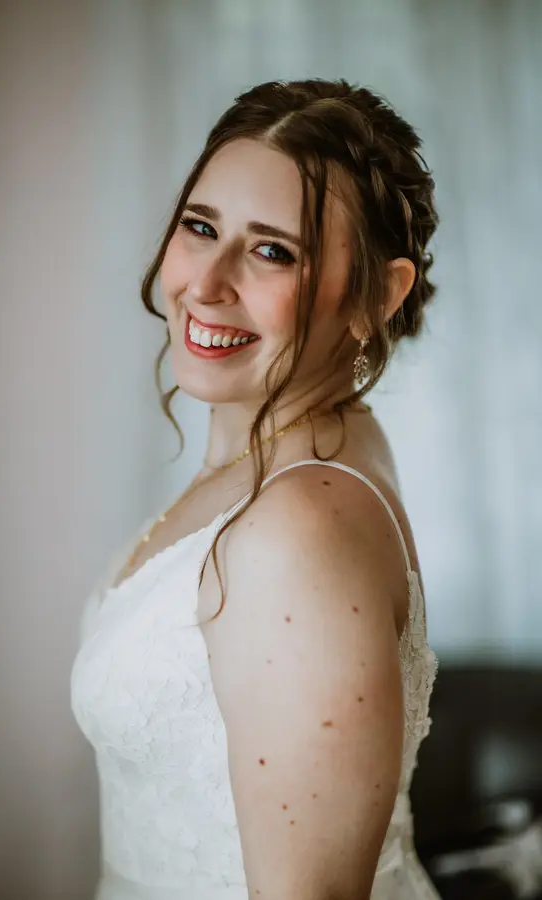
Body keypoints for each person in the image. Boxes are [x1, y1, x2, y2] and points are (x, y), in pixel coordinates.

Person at [71, 78, 441, 900]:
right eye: (200, 227)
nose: (206, 284)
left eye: (273, 251)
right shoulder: (322, 440)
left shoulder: (299, 527)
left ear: (378, 296)